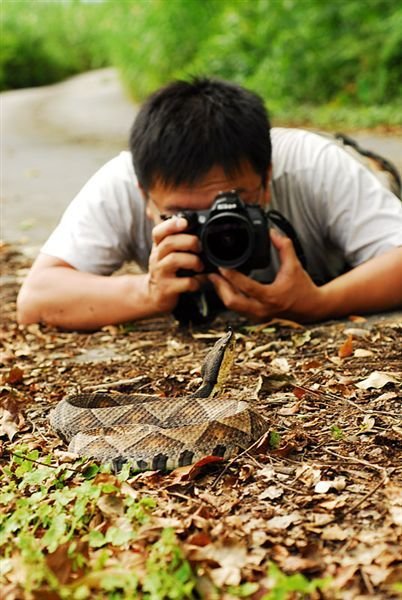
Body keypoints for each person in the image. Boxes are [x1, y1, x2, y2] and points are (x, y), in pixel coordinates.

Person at [17, 78, 402, 330]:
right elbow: (37, 298)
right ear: (143, 194)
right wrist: (147, 293)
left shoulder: (309, 162)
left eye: (234, 203)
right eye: (184, 215)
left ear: (267, 179)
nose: (214, 224)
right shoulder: (120, 180)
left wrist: (317, 303)